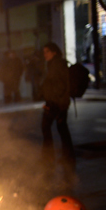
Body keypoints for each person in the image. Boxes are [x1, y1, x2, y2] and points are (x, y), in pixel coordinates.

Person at [40, 42, 74, 178]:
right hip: (58, 102)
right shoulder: (54, 64)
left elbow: (59, 85)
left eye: (47, 52)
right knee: (61, 128)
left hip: (57, 103)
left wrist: (52, 101)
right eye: (44, 52)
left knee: (46, 126)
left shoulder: (57, 64)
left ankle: (49, 156)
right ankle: (67, 156)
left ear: (54, 52)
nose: (45, 55)